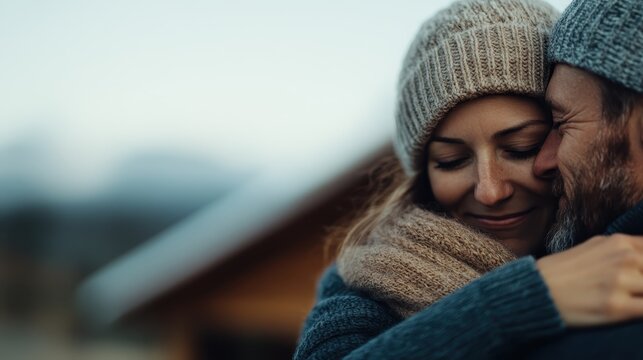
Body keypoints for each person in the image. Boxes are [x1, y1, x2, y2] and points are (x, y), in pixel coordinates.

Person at [294, 0, 643, 359]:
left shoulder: (611, 242)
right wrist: (521, 300)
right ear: (423, 175)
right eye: (452, 161)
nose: (490, 191)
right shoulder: (372, 284)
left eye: (522, 148)